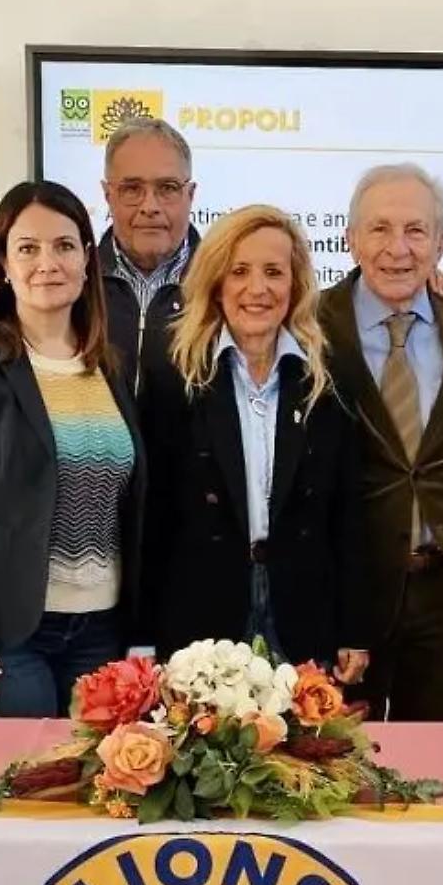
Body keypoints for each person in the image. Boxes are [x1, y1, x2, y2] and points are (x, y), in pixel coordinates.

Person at [0, 180, 146, 716]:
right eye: (28, 247)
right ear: (3, 261)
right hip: (6, 638)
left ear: (87, 260)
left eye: (65, 246)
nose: (49, 262)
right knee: (25, 792)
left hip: (102, 631)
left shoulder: (109, 368)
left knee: (94, 791)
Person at [141, 205, 369, 678]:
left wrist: (354, 631)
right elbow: (153, 514)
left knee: (303, 751)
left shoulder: (328, 374)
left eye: (273, 272)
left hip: (303, 612)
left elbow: (348, 512)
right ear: (217, 282)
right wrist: (142, 636)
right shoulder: (176, 371)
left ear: (296, 283)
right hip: (201, 614)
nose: (257, 289)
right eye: (240, 271)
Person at [319, 164, 443, 721]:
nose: (397, 249)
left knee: (432, 768)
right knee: (337, 763)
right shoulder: (312, 322)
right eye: (378, 229)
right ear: (350, 238)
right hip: (348, 585)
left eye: (416, 231)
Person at [97, 117, 201, 390]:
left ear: (190, 195)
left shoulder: (223, 288)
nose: (150, 206)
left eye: (167, 188)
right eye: (132, 189)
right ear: (108, 195)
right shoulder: (76, 285)